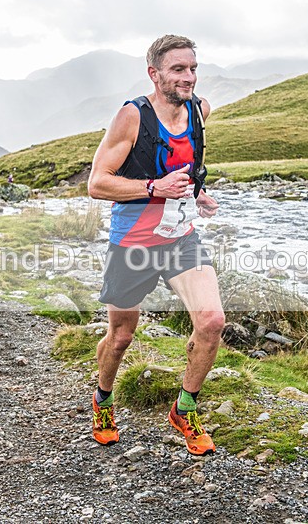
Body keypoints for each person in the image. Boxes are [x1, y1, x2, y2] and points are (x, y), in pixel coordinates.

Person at [87, 35, 225, 455]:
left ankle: (185, 409)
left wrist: (197, 193)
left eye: (193, 68)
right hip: (133, 243)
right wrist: (155, 188)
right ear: (154, 74)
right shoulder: (131, 117)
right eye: (178, 69)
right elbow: (97, 183)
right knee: (121, 337)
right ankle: (103, 399)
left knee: (212, 322)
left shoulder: (199, 111)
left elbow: (186, 167)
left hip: (180, 238)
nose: (189, 77)